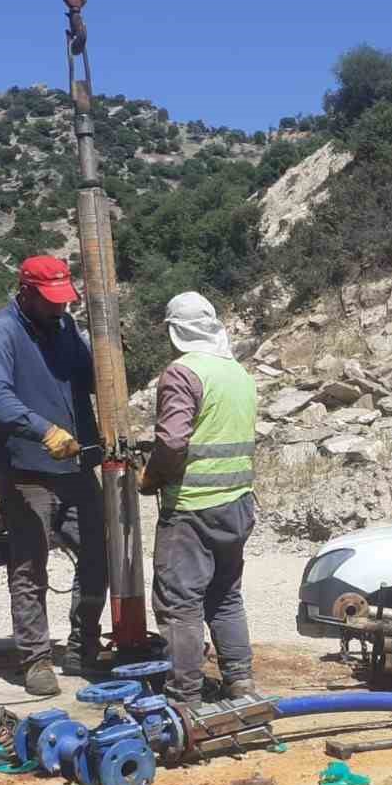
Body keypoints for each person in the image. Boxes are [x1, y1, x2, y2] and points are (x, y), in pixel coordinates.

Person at [0, 255, 107, 697]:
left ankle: (83, 645)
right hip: (27, 468)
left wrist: (110, 356)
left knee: (97, 555)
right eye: (51, 301)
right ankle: (35, 660)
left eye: (64, 300)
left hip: (75, 464)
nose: (60, 309)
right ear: (26, 292)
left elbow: (90, 379)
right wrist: (42, 429)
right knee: (30, 564)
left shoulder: (67, 329)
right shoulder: (1, 332)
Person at [139, 292, 259, 704]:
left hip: (192, 508)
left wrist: (151, 476)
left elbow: (172, 441)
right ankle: (240, 681)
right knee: (225, 596)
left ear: (175, 331)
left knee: (180, 604)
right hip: (238, 503)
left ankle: (184, 699)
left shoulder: (182, 373)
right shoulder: (238, 373)